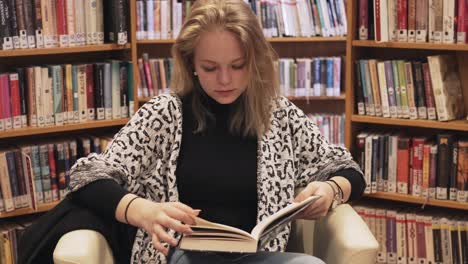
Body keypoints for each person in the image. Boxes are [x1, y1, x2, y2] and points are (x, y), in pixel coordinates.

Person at [19, 0, 365, 263]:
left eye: (238, 66)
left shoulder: (276, 113)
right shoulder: (166, 112)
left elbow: (346, 168)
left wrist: (332, 189)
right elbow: (88, 177)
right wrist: (144, 211)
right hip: (179, 256)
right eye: (210, 68)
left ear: (254, 61)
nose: (225, 80)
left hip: (255, 255)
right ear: (190, 65)